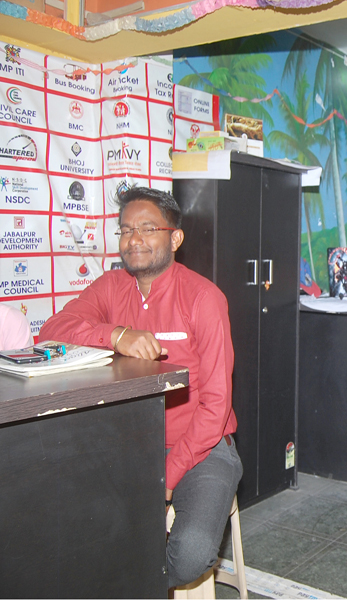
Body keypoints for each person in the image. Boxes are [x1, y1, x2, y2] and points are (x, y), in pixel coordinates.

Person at [39, 186, 242, 589]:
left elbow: (216, 405)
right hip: (129, 447)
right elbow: (52, 330)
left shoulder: (204, 298)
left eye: (148, 229)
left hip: (202, 448)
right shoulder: (111, 287)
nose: (134, 239)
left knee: (191, 553)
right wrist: (116, 334)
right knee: (70, 526)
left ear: (175, 238)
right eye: (126, 229)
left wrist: (166, 477)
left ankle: (133, 580)